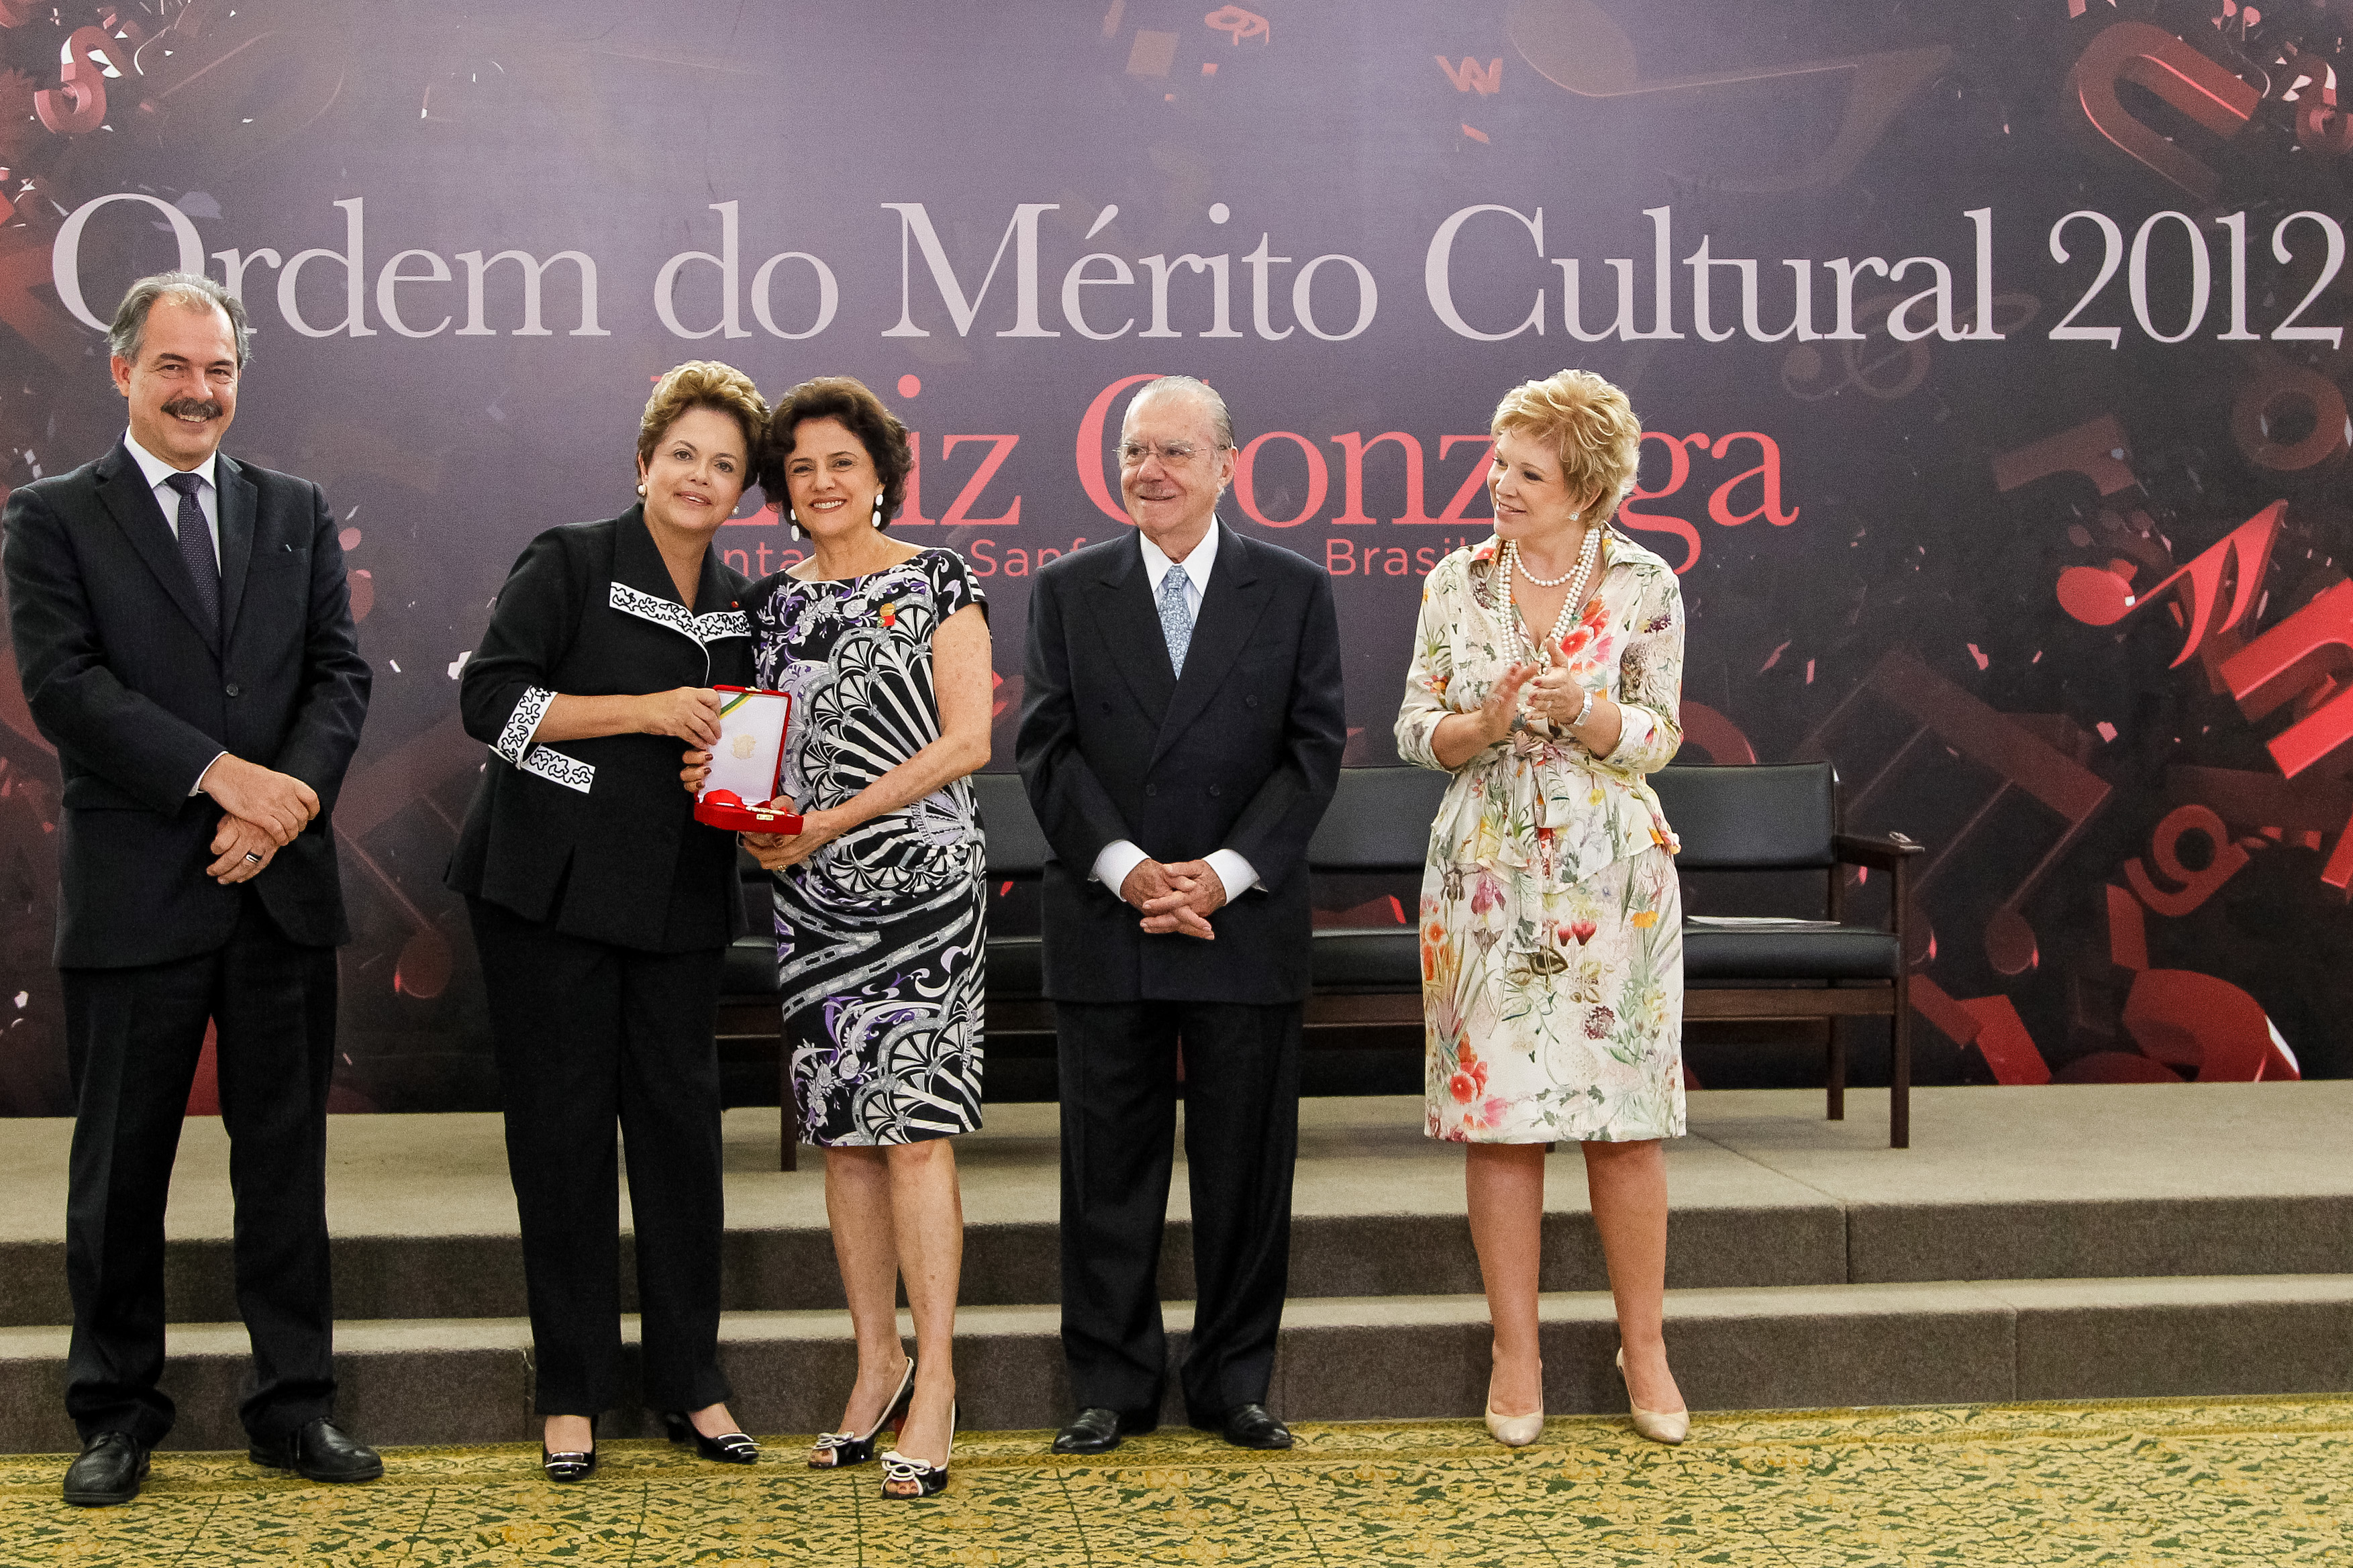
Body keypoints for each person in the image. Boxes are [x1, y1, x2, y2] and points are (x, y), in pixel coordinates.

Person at [1, 272, 374, 1506]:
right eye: (173, 366)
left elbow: (337, 678)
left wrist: (284, 807)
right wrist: (225, 780)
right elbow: (66, 690)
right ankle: (114, 1413)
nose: (198, 391)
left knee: (285, 1164)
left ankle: (293, 1407)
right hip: (137, 896)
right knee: (119, 1175)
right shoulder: (53, 516)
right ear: (121, 372)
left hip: (275, 888)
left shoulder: (294, 507)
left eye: (217, 370)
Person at [445, 361, 764, 1481]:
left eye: (725, 464)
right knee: (564, 1138)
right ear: (643, 462)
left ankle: (693, 1381)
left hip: (679, 895)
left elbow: (744, 748)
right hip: (550, 891)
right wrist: (645, 709)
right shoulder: (572, 558)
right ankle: (571, 1390)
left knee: (682, 1142)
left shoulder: (743, 606)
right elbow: (493, 704)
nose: (700, 475)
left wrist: (732, 771)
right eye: (684, 453)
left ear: (741, 494)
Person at [1017, 375, 1345, 1456]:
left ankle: (1231, 1380)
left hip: (1239, 920)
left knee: (1246, 1172)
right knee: (1105, 1169)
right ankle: (1110, 1382)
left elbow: (1312, 751)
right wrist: (1128, 870)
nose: (1147, 471)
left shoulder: (1292, 589)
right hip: (1110, 917)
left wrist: (1220, 871)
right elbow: (1048, 750)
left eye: (1171, 452)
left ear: (1224, 466)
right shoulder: (1068, 589)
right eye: (1133, 453)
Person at [1395, 368, 1691, 1448]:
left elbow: (1660, 734)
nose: (1501, 484)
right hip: (1484, 876)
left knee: (1626, 1127)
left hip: (1614, 882)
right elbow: (1411, 730)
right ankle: (1513, 1350)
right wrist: (1476, 723)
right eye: (1498, 461)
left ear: (1588, 486)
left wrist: (1593, 711)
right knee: (1500, 1123)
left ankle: (1643, 1345)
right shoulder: (1453, 583)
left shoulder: (1646, 581)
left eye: (1528, 470)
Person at [726, 376, 990, 1501]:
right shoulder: (768, 607)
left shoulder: (938, 577)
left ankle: (935, 1380)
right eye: (800, 467)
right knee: (841, 1132)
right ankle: (872, 1356)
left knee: (914, 1132)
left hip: (924, 884)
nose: (822, 482)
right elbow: (752, 755)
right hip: (812, 902)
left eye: (841, 462)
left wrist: (834, 817)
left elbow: (969, 739)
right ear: (781, 489)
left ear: (880, 471)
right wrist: (755, 827)